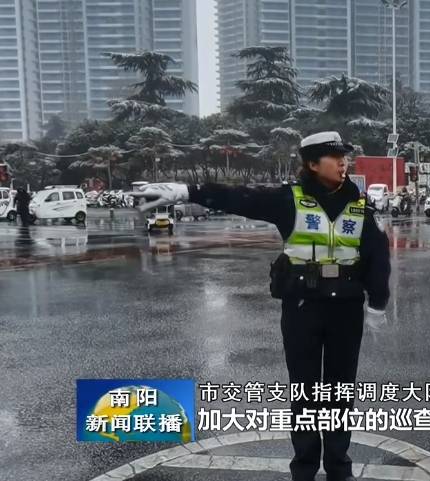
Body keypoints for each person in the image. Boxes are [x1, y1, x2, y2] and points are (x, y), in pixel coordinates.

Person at [132, 131, 391, 481]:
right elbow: (242, 197)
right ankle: (304, 468)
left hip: (345, 309)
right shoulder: (290, 200)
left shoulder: (360, 205)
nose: (343, 163)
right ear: (313, 164)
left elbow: (377, 254)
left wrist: (377, 303)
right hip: (302, 307)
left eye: (344, 156)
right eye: (334, 157)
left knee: (339, 392)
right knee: (305, 392)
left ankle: (338, 467)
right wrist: (188, 191)